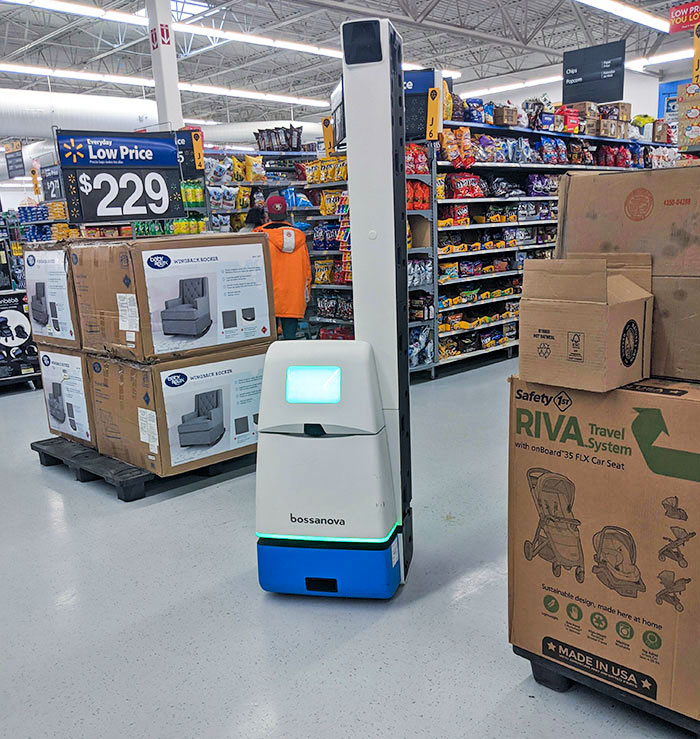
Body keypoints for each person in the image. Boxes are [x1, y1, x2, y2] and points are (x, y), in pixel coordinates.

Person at [254, 195, 311, 340]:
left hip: (267, 296)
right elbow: (307, 270)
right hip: (293, 296)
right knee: (290, 341)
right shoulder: (299, 237)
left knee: (268, 341)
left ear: (267, 213)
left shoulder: (259, 236)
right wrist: (305, 294)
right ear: (286, 213)